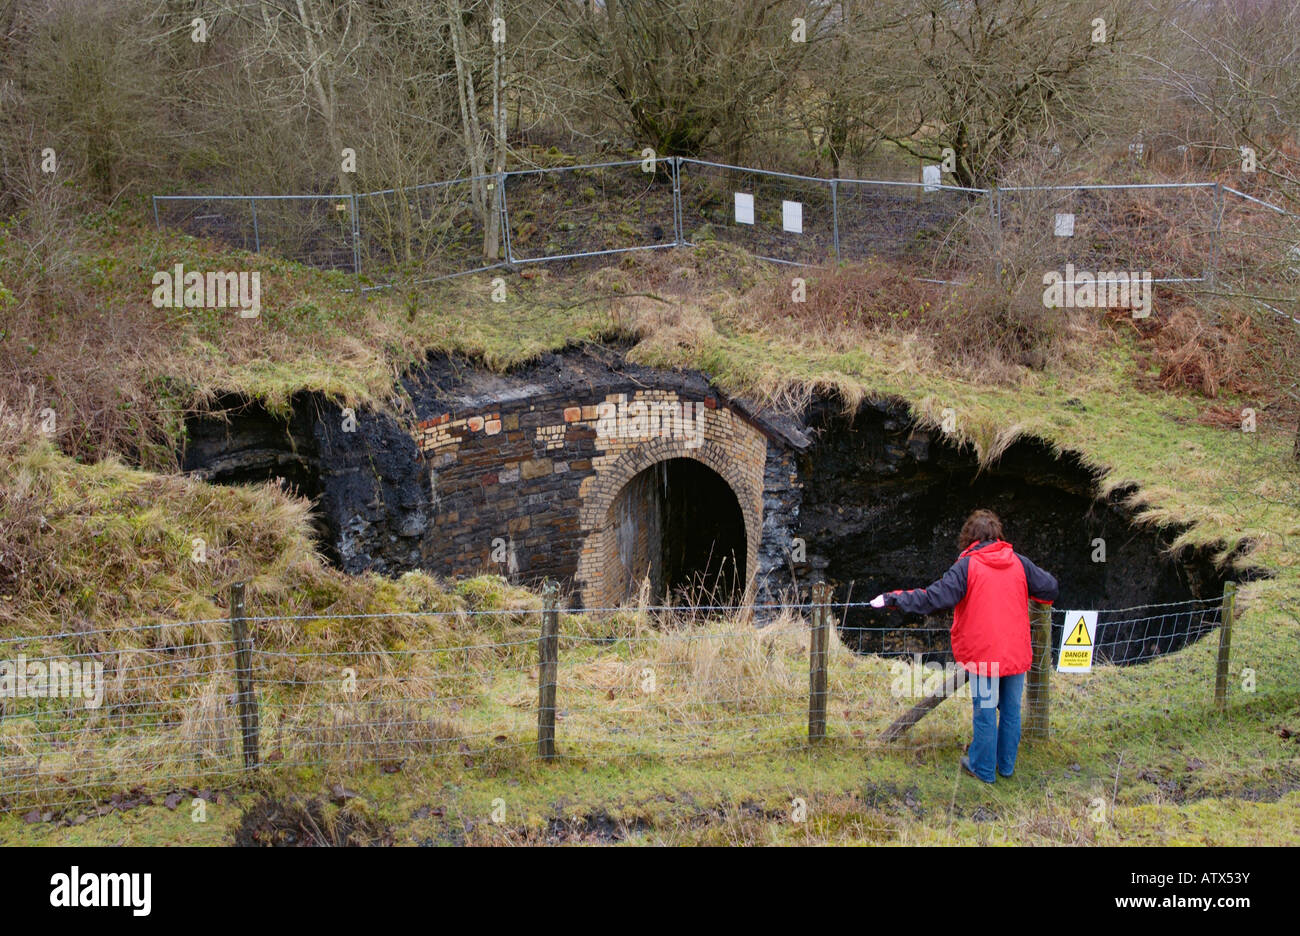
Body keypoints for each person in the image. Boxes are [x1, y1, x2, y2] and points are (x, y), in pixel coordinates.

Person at [869, 509, 1058, 783]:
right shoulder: (1018, 562)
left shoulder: (967, 566)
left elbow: (932, 598)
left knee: (985, 710)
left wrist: (893, 598)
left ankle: (982, 769)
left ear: (969, 538)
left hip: (984, 656)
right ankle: (1005, 767)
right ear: (996, 535)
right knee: (1010, 711)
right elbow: (1050, 588)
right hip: (1016, 652)